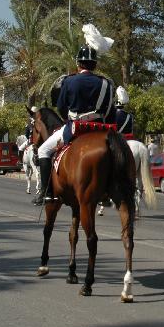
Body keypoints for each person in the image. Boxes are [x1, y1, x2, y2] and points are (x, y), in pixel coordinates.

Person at [33, 24, 115, 205]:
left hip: (75, 128)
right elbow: (110, 111)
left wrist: (67, 119)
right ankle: (110, 191)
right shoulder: (107, 83)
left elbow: (61, 107)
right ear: (95, 64)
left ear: (78, 63)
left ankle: (47, 193)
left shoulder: (69, 81)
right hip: (100, 130)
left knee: (43, 150)